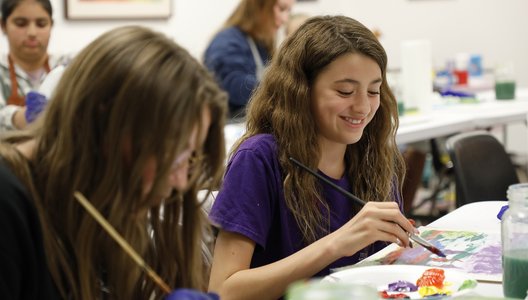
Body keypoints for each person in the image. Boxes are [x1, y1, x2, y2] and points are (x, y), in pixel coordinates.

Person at [0, 25, 227, 299]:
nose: (180, 181)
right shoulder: (8, 200)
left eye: (189, 158)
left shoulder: (90, 199)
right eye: (173, 157)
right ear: (107, 128)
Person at [208, 15, 417, 300]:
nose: (363, 107)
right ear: (300, 90)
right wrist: (335, 245)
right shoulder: (258, 159)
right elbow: (223, 291)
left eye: (373, 91)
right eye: (345, 91)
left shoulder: (375, 156)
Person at [203, 0, 295, 119]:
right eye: (281, 9)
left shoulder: (260, 44)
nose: (285, 19)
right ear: (259, 6)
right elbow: (234, 84)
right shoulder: (227, 42)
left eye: (289, 11)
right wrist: (282, 91)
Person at [0, 0, 69, 131]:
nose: (32, 32)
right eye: (21, 24)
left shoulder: (68, 66)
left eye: (41, 24)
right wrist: (18, 117)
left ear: (51, 26)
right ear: (3, 26)